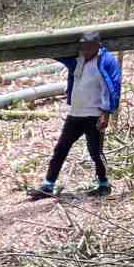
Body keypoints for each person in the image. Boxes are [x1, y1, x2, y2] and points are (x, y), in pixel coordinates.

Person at [30, 30, 121, 199]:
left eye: (89, 46)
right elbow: (57, 55)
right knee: (61, 149)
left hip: (94, 115)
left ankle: (103, 184)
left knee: (95, 152)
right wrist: (47, 37)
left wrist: (106, 113)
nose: (86, 49)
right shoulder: (78, 59)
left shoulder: (106, 61)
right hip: (75, 115)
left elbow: (113, 86)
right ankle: (48, 185)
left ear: (97, 46)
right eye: (83, 46)